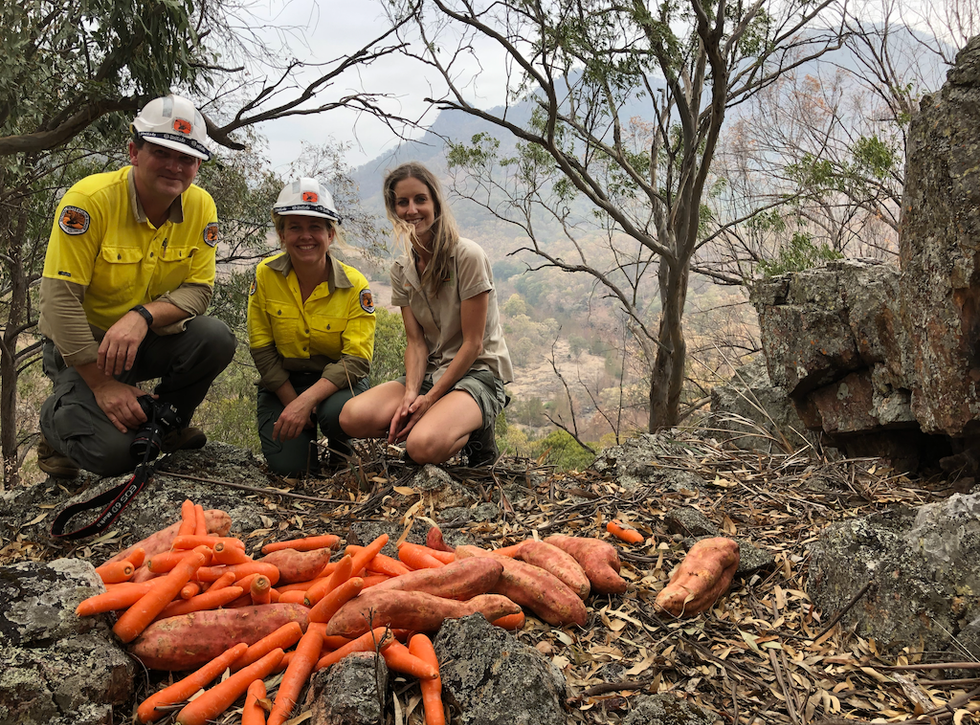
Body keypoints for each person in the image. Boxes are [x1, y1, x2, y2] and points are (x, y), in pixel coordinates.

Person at [38, 94, 236, 478]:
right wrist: (102, 385)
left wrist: (142, 316)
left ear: (197, 165)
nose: (174, 166)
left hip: (144, 339)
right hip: (84, 345)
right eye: (162, 152)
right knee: (115, 456)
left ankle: (165, 425)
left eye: (187, 158)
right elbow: (59, 301)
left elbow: (199, 290)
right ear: (134, 152)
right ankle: (53, 424)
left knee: (214, 338)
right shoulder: (89, 201)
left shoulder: (201, 207)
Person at [339, 161, 512, 467]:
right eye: (402, 202)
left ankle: (477, 435)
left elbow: (473, 344)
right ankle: (442, 419)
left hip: (478, 372)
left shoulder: (467, 256)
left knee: (421, 447)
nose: (412, 210)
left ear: (435, 204)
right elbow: (416, 342)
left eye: (420, 199)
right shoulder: (401, 270)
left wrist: (429, 400)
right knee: (352, 417)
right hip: (431, 373)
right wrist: (411, 394)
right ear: (393, 210)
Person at [247, 177, 376, 477]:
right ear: (282, 234)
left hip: (337, 386)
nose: (306, 236)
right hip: (284, 383)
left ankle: (342, 448)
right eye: (295, 227)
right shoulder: (265, 276)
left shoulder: (355, 285)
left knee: (338, 414)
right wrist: (293, 403)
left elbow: (357, 359)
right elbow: (262, 349)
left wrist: (308, 400)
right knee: (292, 470)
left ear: (330, 234)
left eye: (315, 227)